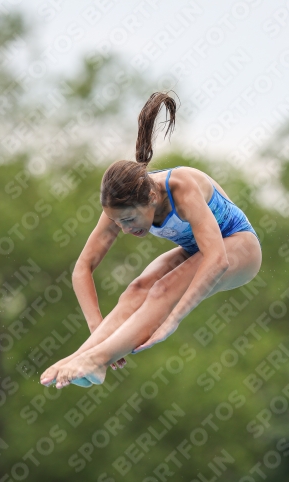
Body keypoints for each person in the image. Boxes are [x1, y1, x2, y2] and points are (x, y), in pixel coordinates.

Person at [40, 91, 262, 390]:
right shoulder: (120, 204)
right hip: (196, 249)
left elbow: (217, 259)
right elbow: (83, 267)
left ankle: (97, 360)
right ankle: (87, 356)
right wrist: (97, 333)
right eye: (119, 223)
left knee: (161, 290)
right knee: (138, 288)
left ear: (153, 197)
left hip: (238, 246)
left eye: (130, 221)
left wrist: (172, 320)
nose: (126, 229)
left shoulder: (181, 187)